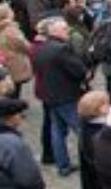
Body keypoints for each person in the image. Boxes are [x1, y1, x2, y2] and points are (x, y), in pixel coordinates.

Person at [32, 17, 87, 177]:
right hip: (66, 95)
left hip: (49, 95)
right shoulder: (61, 49)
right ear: (54, 31)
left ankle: (63, 165)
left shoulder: (41, 47)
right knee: (81, 129)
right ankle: (90, 161)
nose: (67, 31)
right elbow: (79, 70)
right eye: (64, 29)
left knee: (57, 131)